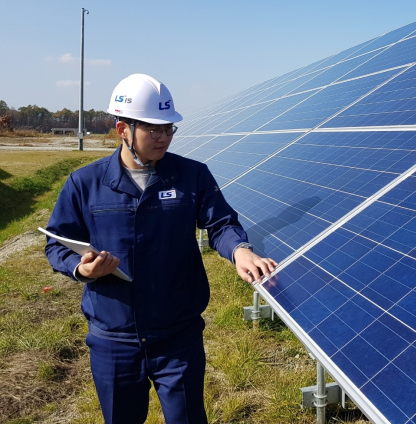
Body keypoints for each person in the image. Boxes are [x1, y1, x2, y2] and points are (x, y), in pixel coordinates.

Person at [43, 73, 277, 424]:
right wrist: (82, 269)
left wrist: (240, 249)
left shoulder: (192, 175)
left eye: (168, 129)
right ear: (123, 129)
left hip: (177, 336)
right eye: (153, 129)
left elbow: (221, 224)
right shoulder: (84, 183)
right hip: (114, 340)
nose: (164, 137)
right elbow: (56, 244)